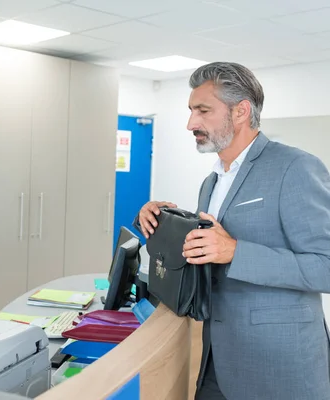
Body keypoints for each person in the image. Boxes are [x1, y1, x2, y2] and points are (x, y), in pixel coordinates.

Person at [137, 62, 330, 399]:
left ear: (241, 111)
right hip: (215, 358)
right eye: (191, 110)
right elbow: (210, 250)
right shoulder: (211, 182)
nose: (190, 123)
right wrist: (162, 221)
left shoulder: (295, 167)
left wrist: (235, 251)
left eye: (203, 110)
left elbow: (325, 266)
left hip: (277, 369)